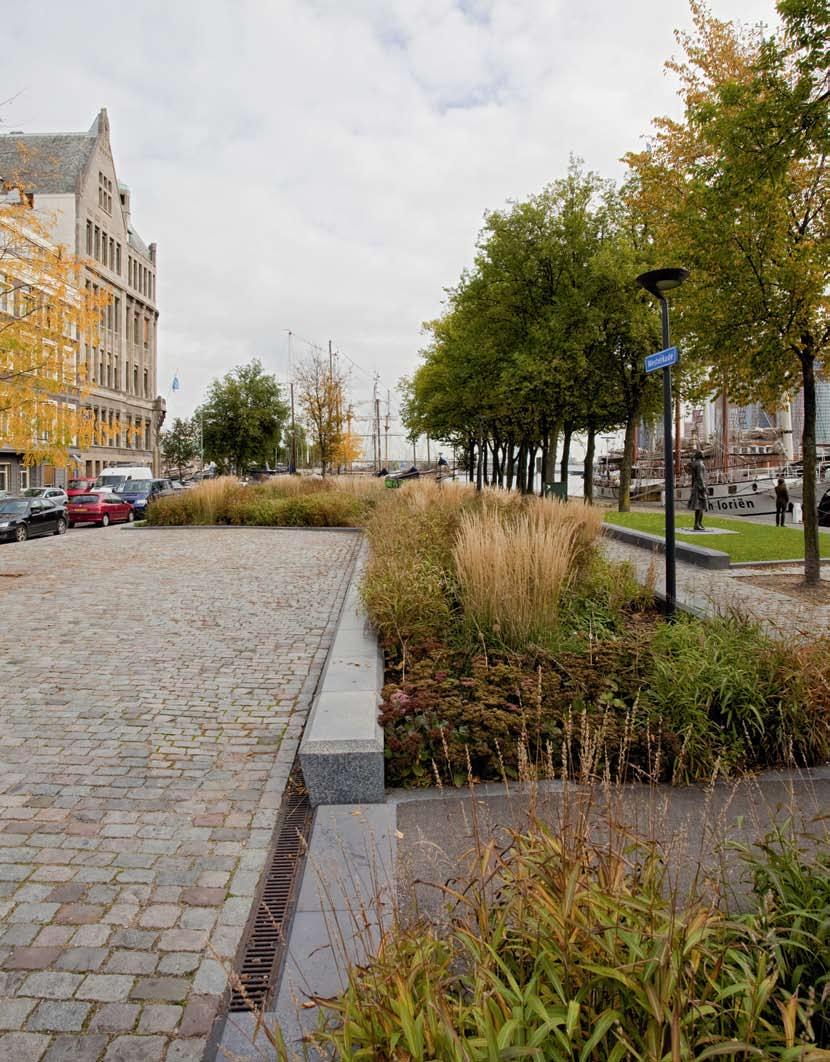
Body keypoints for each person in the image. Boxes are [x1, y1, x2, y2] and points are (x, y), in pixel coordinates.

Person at [688, 449, 707, 531]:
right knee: (700, 505)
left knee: (700, 506)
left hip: (696, 485)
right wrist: (703, 486)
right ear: (699, 455)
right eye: (702, 453)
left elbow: (694, 477)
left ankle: (699, 523)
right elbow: (700, 476)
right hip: (699, 486)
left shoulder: (696, 463)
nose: (703, 454)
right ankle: (697, 524)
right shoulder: (699, 464)